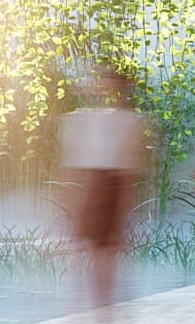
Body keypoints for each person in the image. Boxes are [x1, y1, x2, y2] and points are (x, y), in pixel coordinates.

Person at [59, 65, 150, 311]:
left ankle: (108, 305)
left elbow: (128, 168)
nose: (105, 88)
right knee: (86, 248)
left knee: (106, 250)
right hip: (94, 182)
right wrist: (72, 197)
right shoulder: (85, 119)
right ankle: (84, 308)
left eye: (112, 84)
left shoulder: (128, 121)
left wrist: (124, 205)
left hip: (110, 182)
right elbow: (76, 163)